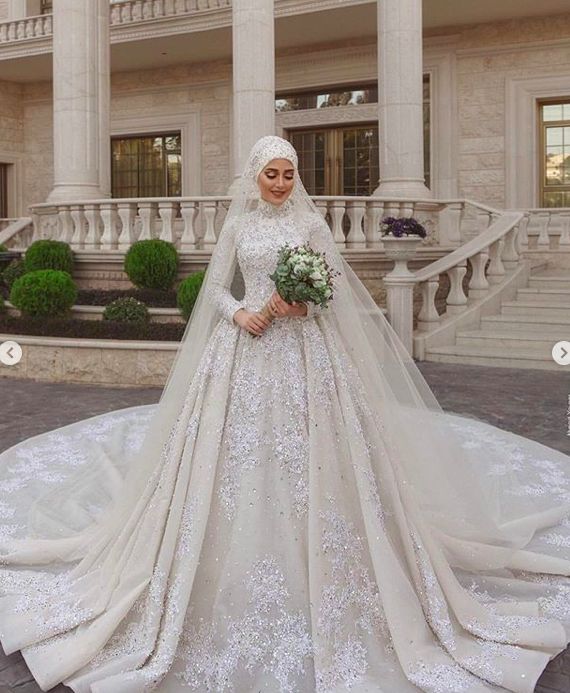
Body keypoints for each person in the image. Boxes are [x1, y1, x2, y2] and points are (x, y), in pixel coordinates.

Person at [0, 135, 569, 693]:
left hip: (307, 352)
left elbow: (335, 285)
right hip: (244, 349)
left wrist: (307, 299)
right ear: (254, 176)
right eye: (271, 173)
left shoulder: (310, 224)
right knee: (231, 457)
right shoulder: (239, 225)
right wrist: (239, 314)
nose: (279, 183)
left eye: (288, 174)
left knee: (323, 453)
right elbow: (215, 288)